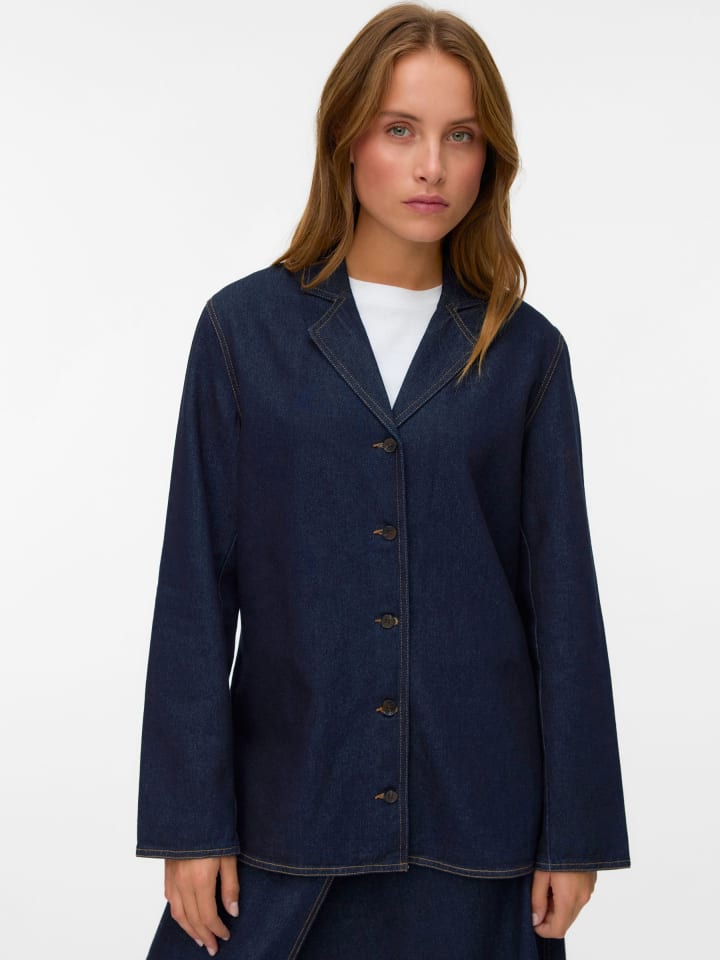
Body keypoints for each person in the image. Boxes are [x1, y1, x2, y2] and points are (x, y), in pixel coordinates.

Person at [136, 4, 631, 958]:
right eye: (400, 129)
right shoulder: (244, 333)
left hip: (479, 829)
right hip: (288, 818)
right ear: (347, 140)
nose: (431, 166)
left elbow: (564, 601)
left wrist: (576, 833)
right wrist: (189, 823)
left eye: (461, 136)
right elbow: (194, 588)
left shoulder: (526, 355)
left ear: (490, 160)